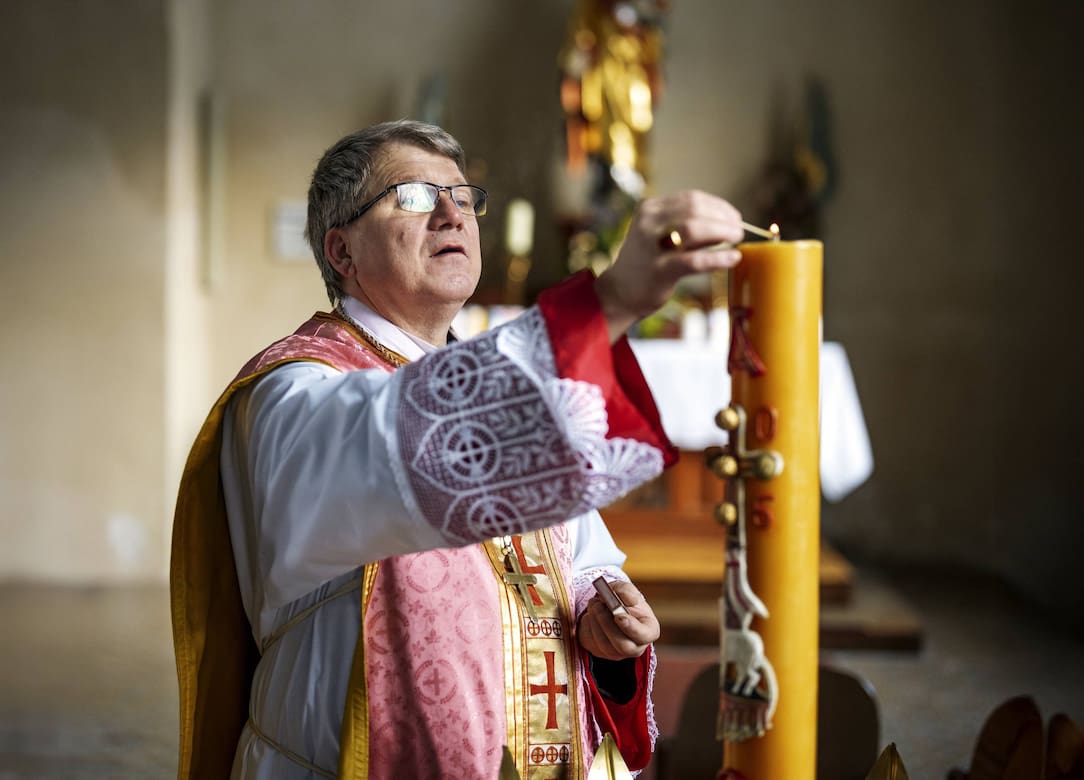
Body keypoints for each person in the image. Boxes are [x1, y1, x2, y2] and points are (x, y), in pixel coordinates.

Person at [170, 119, 745, 780]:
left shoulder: (497, 381)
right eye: (413, 197)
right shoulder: (293, 390)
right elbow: (385, 450)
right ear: (342, 250)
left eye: (463, 197)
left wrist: (601, 614)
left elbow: (581, 558)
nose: (451, 214)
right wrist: (608, 302)